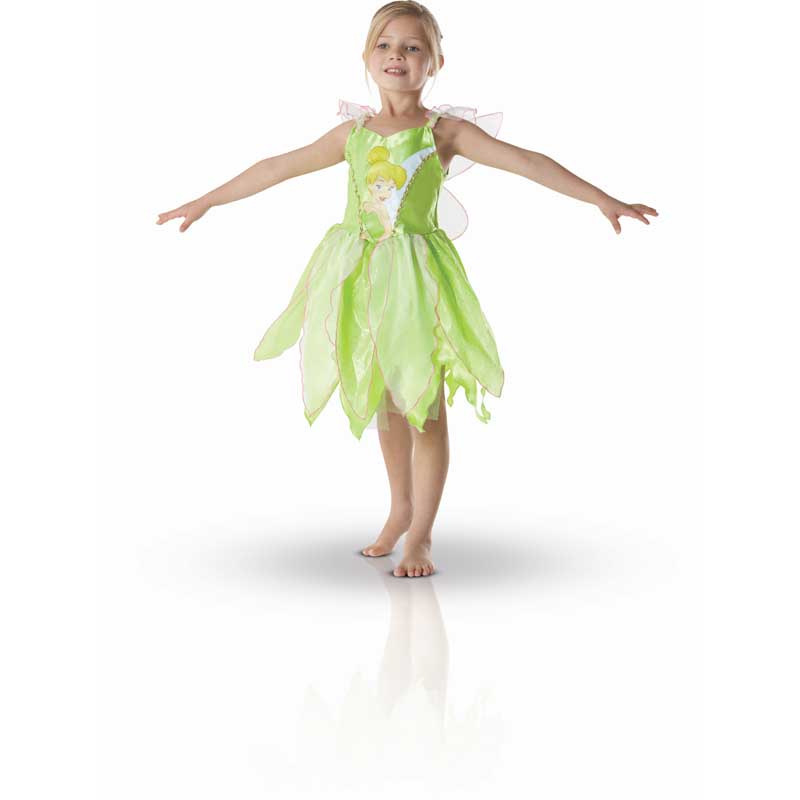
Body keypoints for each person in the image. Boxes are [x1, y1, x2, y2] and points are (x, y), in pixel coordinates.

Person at [156, 1, 658, 579]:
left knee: (424, 405)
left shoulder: (444, 132)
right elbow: (277, 167)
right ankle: (399, 510)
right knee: (387, 402)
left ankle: (421, 534)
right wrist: (206, 201)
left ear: (434, 62)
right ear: (367, 56)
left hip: (417, 280)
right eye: (386, 45)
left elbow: (527, 162)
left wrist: (601, 198)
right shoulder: (351, 134)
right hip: (360, 275)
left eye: (413, 47)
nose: (397, 55)